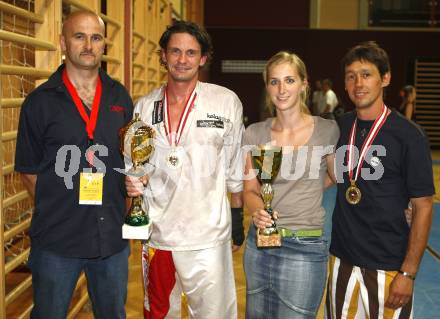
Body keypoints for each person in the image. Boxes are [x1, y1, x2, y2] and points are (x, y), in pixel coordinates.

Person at [14, 10, 133, 319]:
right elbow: (28, 170)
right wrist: (63, 204)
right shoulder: (39, 102)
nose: (88, 45)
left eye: (96, 37)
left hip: (111, 241)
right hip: (57, 240)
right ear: (63, 42)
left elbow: (128, 159)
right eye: (79, 36)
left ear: (104, 44)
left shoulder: (120, 96)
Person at [125, 20, 245, 319]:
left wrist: (238, 219)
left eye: (191, 53)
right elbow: (134, 166)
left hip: (209, 237)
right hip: (159, 236)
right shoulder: (144, 106)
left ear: (203, 58)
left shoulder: (225, 101)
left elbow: (234, 168)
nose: (182, 59)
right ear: (163, 55)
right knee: (159, 314)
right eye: (175, 51)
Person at [327, 41, 434, 319]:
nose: (358, 83)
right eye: (351, 76)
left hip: (389, 265)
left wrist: (408, 273)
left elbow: (423, 206)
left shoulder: (409, 135)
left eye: (366, 74)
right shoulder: (338, 127)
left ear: (385, 78)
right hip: (342, 259)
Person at [243, 51, 339, 318]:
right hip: (259, 245)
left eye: (289, 80)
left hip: (304, 248)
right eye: (274, 82)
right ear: (267, 87)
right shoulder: (255, 133)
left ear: (304, 84)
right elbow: (250, 189)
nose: (281, 89)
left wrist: (306, 190)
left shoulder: (326, 130)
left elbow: (339, 176)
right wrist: (257, 211)